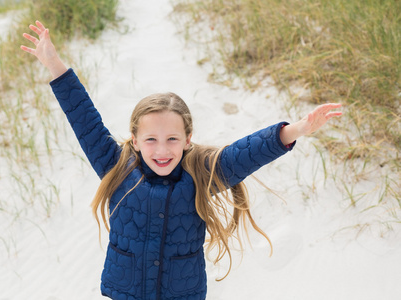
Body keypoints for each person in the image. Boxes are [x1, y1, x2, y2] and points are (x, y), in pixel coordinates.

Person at [21, 20, 342, 300]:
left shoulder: (200, 176)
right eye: (151, 140)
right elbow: (84, 120)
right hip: (126, 291)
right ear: (135, 140)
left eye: (172, 139)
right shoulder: (115, 167)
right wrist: (55, 65)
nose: (162, 150)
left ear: (188, 140)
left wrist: (294, 130)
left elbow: (244, 154)